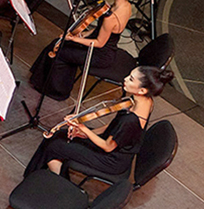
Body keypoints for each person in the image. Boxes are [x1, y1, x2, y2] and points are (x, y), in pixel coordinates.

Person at [24, 65, 172, 179]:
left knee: (54, 147)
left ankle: (55, 182)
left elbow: (108, 146)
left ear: (142, 90)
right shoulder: (146, 102)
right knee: (60, 135)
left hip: (111, 160)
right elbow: (114, 127)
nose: (125, 79)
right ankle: (46, 175)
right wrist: (85, 134)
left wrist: (83, 128)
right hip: (115, 145)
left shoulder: (130, 120)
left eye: (131, 79)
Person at [30, 0, 137, 102]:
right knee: (57, 43)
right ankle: (41, 81)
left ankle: (57, 92)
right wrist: (83, 34)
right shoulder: (126, 6)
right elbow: (102, 30)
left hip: (100, 55)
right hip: (105, 48)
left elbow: (99, 43)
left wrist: (74, 39)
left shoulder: (111, 18)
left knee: (61, 52)